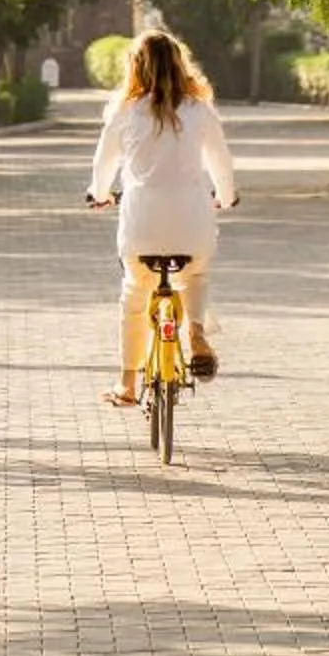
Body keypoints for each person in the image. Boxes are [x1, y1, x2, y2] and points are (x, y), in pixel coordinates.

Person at [87, 29, 238, 404]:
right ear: (179, 64)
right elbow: (221, 162)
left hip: (142, 229)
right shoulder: (199, 110)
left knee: (135, 297)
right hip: (192, 224)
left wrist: (100, 194)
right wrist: (226, 196)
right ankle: (196, 332)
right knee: (195, 275)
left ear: (136, 68)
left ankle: (127, 385)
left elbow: (104, 163)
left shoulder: (125, 111)